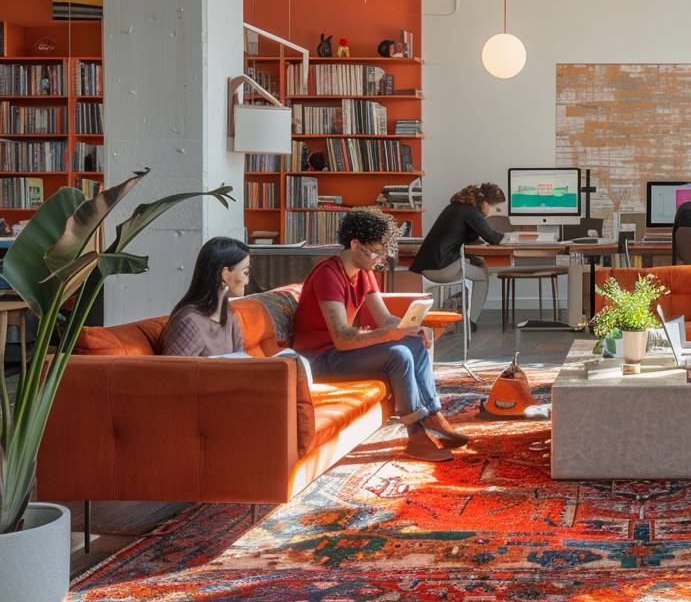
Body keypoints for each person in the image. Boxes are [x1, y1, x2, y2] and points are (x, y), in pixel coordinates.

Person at [293, 210, 467, 452]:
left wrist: (412, 328)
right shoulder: (328, 275)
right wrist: (389, 335)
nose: (379, 258)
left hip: (338, 354)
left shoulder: (364, 273)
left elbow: (385, 319)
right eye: (375, 251)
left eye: (383, 252)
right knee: (398, 354)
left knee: (414, 344)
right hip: (317, 360)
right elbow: (342, 339)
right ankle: (415, 433)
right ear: (355, 244)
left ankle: (432, 414)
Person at [411, 183, 507, 327]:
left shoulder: (457, 208)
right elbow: (493, 238)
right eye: (495, 208)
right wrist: (513, 238)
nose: (494, 212)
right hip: (441, 268)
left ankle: (470, 318)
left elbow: (470, 239)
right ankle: (472, 321)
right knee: (482, 276)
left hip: (427, 266)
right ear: (486, 203)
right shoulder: (470, 212)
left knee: (479, 264)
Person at [160, 237, 251, 357]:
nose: (247, 281)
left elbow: (242, 363)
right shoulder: (190, 322)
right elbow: (174, 372)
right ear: (225, 274)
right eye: (245, 272)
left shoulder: (229, 315)